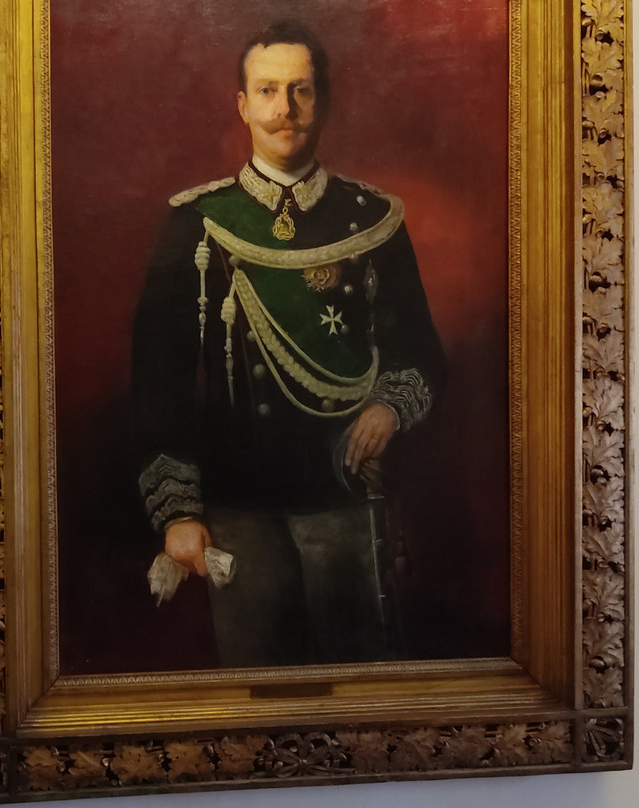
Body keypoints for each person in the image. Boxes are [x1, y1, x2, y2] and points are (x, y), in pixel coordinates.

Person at [132, 20, 445, 667]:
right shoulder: (197, 225)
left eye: (300, 90)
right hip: (238, 505)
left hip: (344, 497)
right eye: (268, 91)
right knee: (258, 691)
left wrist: (389, 407)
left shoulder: (372, 220)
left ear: (321, 101)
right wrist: (178, 511)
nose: (284, 109)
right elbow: (159, 383)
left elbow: (419, 353)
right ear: (243, 105)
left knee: (359, 687)